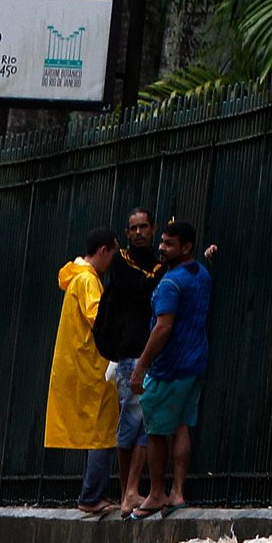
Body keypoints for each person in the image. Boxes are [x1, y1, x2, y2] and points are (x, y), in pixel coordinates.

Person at [129, 220, 213, 514]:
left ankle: (156, 494)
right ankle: (177, 492)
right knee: (182, 426)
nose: (162, 248)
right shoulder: (201, 274)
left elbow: (163, 327)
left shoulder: (170, 283)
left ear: (185, 247)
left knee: (155, 432)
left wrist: (141, 367)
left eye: (169, 244)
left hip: (169, 369)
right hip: (195, 362)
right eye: (162, 241)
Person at [46, 229, 122, 513]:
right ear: (103, 250)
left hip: (79, 365)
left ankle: (91, 494)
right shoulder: (88, 280)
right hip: (93, 367)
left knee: (94, 434)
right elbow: (99, 318)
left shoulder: (75, 277)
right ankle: (92, 497)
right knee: (101, 434)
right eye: (113, 254)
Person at [94, 208, 160, 502]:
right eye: (133, 228)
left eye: (143, 227)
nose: (138, 233)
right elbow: (143, 285)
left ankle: (130, 490)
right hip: (131, 353)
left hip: (152, 353)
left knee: (146, 423)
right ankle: (127, 491)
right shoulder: (122, 262)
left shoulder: (157, 263)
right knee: (132, 422)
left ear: (152, 228)